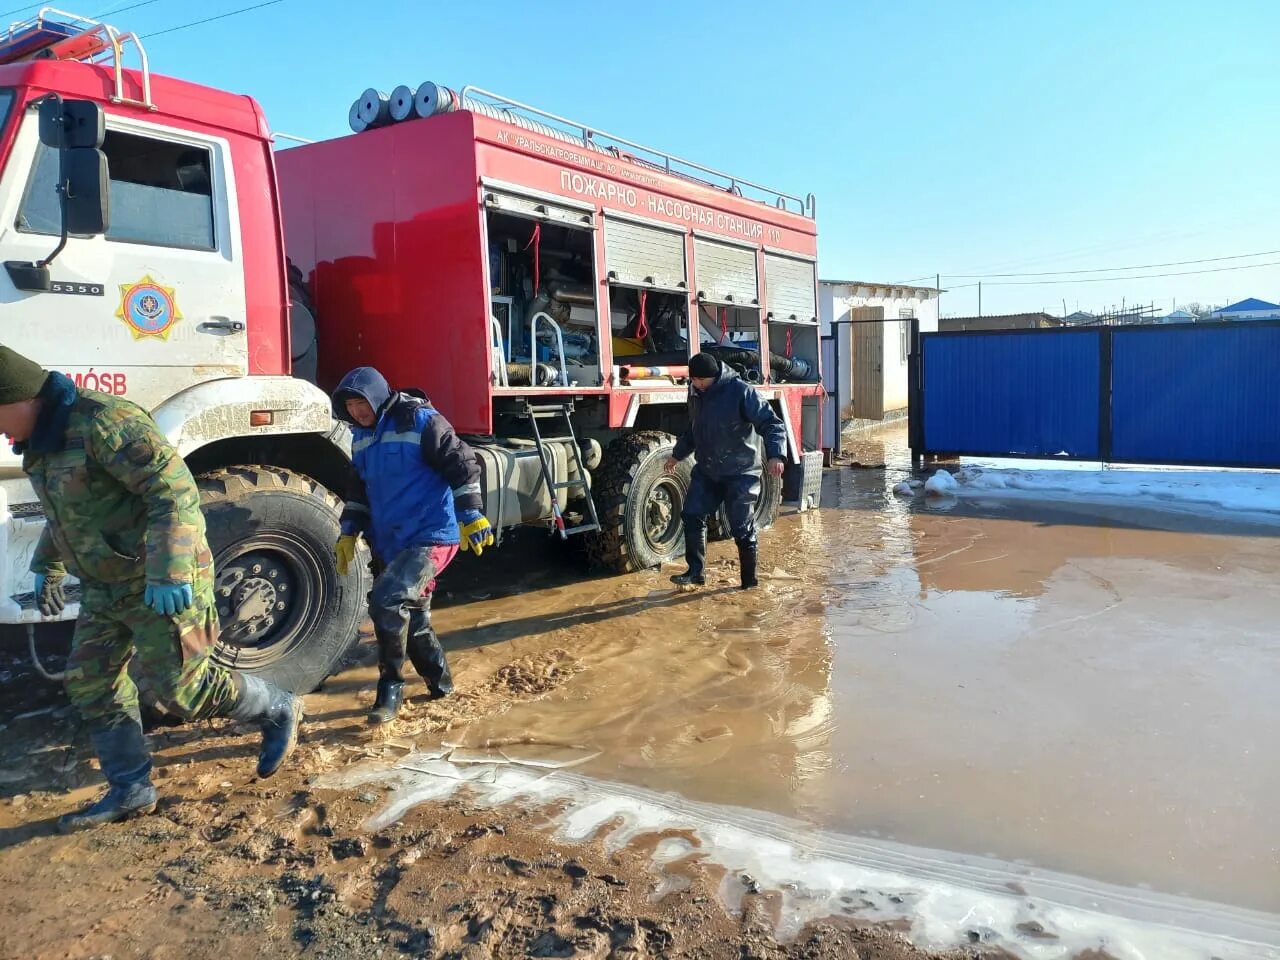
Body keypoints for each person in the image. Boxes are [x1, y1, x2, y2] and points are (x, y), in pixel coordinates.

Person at [0, 346, 304, 832]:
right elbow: (66, 511)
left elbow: (174, 492)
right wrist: (48, 565)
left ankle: (276, 706)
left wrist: (171, 573)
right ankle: (131, 789)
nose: (0, 429)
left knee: (179, 691)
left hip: (159, 576)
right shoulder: (42, 440)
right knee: (92, 682)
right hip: (106, 583)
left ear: (19, 397)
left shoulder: (105, 423)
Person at [331, 367, 493, 724]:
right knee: (414, 616)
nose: (358, 411)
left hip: (431, 534)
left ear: (377, 396)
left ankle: (391, 685)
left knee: (386, 601)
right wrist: (348, 532)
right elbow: (359, 491)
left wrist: (472, 514)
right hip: (393, 542)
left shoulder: (420, 420)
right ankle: (442, 687)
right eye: (351, 406)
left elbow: (463, 464)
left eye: (362, 402)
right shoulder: (360, 437)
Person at [664, 352, 787, 590]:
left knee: (741, 527)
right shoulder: (696, 393)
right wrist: (677, 455)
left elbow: (771, 423)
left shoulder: (741, 391)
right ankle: (695, 572)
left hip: (741, 471)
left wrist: (775, 455)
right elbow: (694, 430)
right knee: (692, 514)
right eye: (694, 380)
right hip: (708, 470)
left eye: (701, 380)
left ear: (714, 376)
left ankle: (749, 583)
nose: (697, 385)